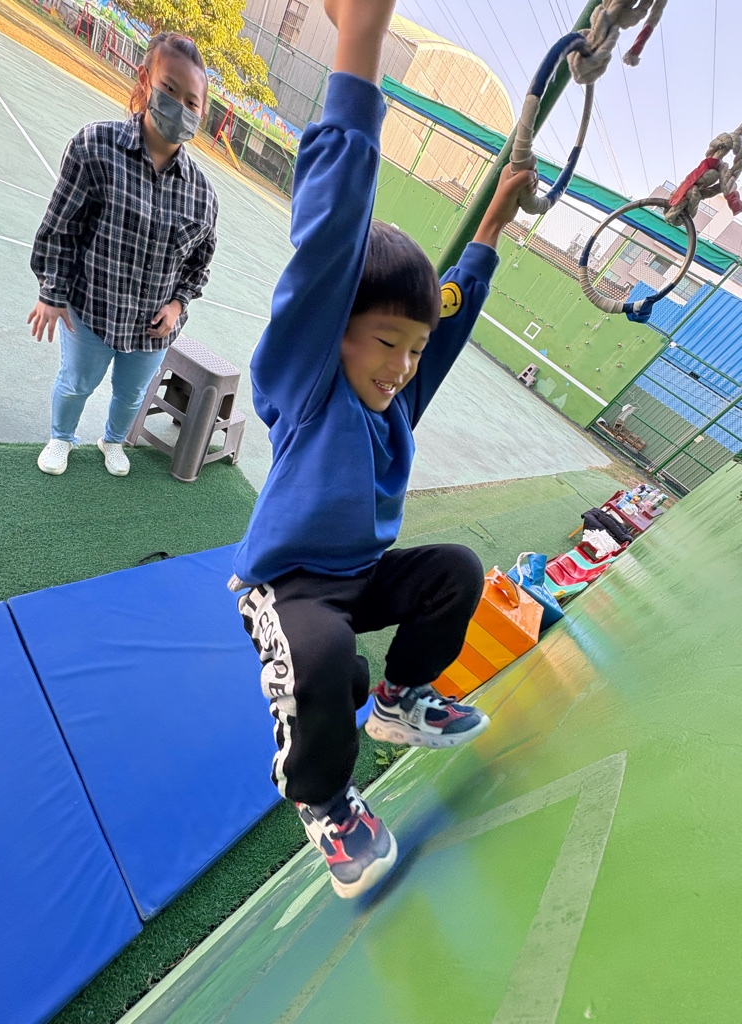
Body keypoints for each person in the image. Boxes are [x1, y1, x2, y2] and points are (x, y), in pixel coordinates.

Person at [230, 0, 535, 899]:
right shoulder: (309, 380)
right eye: (385, 342)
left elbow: (449, 320)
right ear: (336, 333)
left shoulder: (394, 398)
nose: (403, 366)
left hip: (361, 578)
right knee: (325, 661)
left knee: (455, 571)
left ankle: (399, 701)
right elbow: (329, 238)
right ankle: (323, 801)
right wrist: (358, 41)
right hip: (289, 591)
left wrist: (492, 224)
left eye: (413, 348)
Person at [29, 33, 217, 477]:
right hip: (91, 310)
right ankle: (61, 437)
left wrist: (177, 305)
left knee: (131, 394)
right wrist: (52, 293)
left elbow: (198, 265)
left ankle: (112, 441)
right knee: (76, 382)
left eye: (191, 102)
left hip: (152, 329)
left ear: (201, 113)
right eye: (169, 89)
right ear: (145, 79)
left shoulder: (203, 195)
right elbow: (60, 228)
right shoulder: (95, 146)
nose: (179, 106)